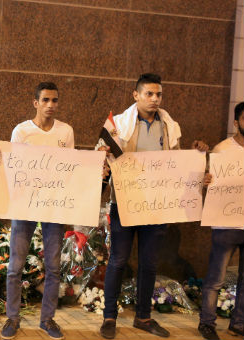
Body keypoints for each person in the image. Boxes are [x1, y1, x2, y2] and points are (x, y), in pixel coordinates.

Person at [97, 73, 208, 339]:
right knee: (118, 261)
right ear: (136, 95)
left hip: (157, 205)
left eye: (158, 94)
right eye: (149, 94)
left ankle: (143, 318)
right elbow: (101, 159)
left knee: (149, 263)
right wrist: (102, 157)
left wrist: (197, 154)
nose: (155, 99)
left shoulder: (169, 126)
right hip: (124, 203)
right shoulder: (118, 126)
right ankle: (109, 317)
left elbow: (177, 163)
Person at [0, 82, 73, 340]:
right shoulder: (21, 131)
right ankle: (12, 318)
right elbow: (13, 168)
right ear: (36, 103)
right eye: (45, 100)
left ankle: (48, 319)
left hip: (54, 203)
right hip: (25, 203)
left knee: (53, 266)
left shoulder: (66, 131)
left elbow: (70, 167)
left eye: (55, 100)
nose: (51, 105)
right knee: (15, 266)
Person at [197, 102, 244, 340]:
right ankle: (207, 322)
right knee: (216, 277)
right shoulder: (221, 150)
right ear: (236, 123)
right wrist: (205, 182)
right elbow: (207, 184)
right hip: (226, 224)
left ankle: (239, 324)